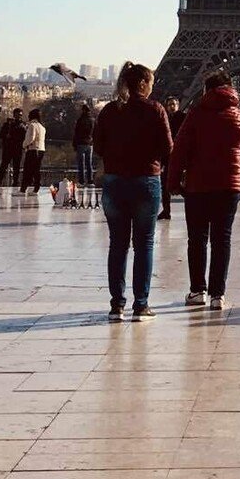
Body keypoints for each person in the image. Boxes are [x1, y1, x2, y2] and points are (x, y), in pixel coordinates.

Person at [165, 70, 240, 308]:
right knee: (222, 239)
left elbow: (179, 150)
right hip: (229, 186)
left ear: (206, 90)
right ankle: (218, 295)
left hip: (198, 185)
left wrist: (173, 182)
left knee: (197, 239)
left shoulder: (195, 115)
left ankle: (198, 290)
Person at [93, 61, 173, 320]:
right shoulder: (155, 109)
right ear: (142, 83)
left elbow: (98, 147)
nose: (152, 88)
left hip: (115, 182)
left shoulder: (109, 110)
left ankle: (117, 305)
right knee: (144, 244)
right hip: (145, 180)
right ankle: (141, 304)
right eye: (150, 83)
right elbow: (168, 148)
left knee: (117, 245)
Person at [156, 97, 187, 220]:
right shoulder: (166, 118)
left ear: (178, 105)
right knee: (165, 185)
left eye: (173, 104)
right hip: (168, 156)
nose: (172, 107)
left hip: (178, 155)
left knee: (178, 184)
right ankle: (166, 211)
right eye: (169, 105)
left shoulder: (183, 118)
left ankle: (193, 205)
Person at [0, 110, 27, 190]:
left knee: (16, 167)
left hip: (17, 149)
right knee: (4, 166)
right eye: (17, 115)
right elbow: (1, 135)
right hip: (8, 148)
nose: (19, 117)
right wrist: (6, 136)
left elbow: (25, 136)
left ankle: (15, 182)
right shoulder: (8, 124)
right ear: (14, 115)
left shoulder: (23, 125)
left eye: (20, 115)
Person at [73, 101, 96, 199]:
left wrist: (74, 144)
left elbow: (76, 132)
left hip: (81, 143)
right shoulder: (92, 120)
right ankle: (90, 181)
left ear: (83, 110)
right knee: (89, 163)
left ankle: (82, 181)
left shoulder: (80, 120)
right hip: (90, 144)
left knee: (81, 163)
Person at [21, 108, 47, 194]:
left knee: (27, 169)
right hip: (41, 150)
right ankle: (37, 186)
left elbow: (31, 138)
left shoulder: (32, 125)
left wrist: (24, 145)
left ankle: (23, 188)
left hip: (33, 149)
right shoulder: (42, 127)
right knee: (36, 169)